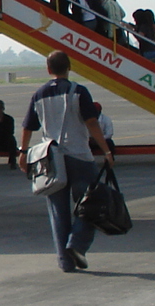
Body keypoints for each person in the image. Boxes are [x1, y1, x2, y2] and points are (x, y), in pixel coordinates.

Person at [19, 53, 113, 273]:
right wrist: (106, 150)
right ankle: (77, 245)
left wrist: (23, 152)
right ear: (69, 67)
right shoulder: (79, 91)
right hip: (79, 155)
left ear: (48, 69)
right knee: (90, 205)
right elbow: (91, 122)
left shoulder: (39, 94)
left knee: (58, 211)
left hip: (51, 160)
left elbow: (27, 127)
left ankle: (65, 261)